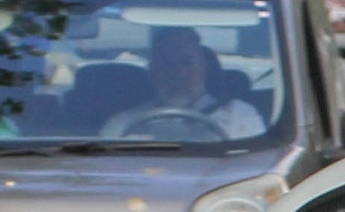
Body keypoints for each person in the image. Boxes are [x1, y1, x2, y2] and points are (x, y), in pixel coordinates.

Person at [103, 25, 265, 139]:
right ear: (152, 70)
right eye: (165, 63)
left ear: (204, 67)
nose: (178, 73)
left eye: (187, 62)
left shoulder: (239, 116)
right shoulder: (123, 124)